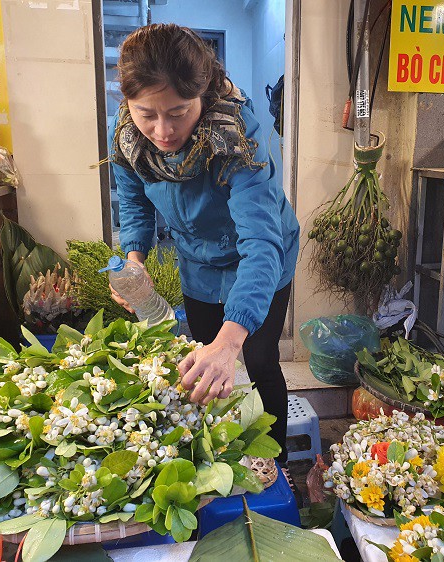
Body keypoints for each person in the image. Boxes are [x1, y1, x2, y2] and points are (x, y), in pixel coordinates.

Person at [108, 24, 300, 466]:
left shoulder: (238, 138)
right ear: (129, 104)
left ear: (203, 93)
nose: (162, 130)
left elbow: (262, 244)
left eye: (178, 112)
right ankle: (215, 456)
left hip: (261, 259)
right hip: (198, 261)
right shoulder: (128, 137)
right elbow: (134, 203)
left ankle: (278, 462)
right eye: (146, 113)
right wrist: (135, 257)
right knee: (201, 359)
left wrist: (230, 342)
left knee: (257, 356)